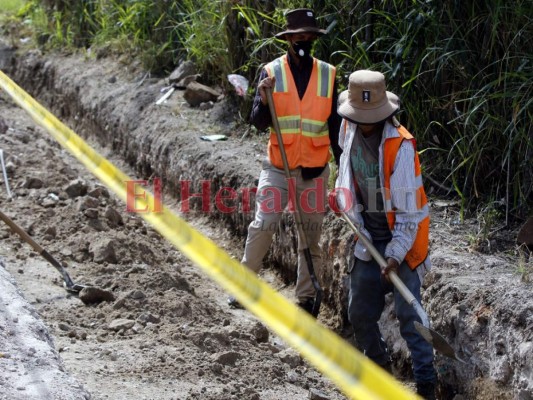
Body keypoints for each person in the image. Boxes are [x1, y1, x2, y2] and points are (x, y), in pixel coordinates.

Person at [228, 8, 342, 316]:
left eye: (308, 36)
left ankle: (306, 299)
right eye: (297, 36)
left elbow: (335, 128)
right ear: (288, 39)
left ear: (314, 38)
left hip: (315, 170)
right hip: (279, 167)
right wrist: (263, 99)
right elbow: (256, 121)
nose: (303, 41)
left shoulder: (329, 75)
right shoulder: (270, 72)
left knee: (310, 236)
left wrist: (343, 166)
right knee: (263, 224)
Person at [331, 70, 437, 399]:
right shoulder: (347, 129)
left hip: (402, 240)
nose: (363, 122)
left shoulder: (400, 147)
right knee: (359, 313)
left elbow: (410, 214)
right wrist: (341, 198)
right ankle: (381, 370)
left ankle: (425, 386)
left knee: (411, 318)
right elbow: (345, 172)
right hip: (366, 236)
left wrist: (393, 255)